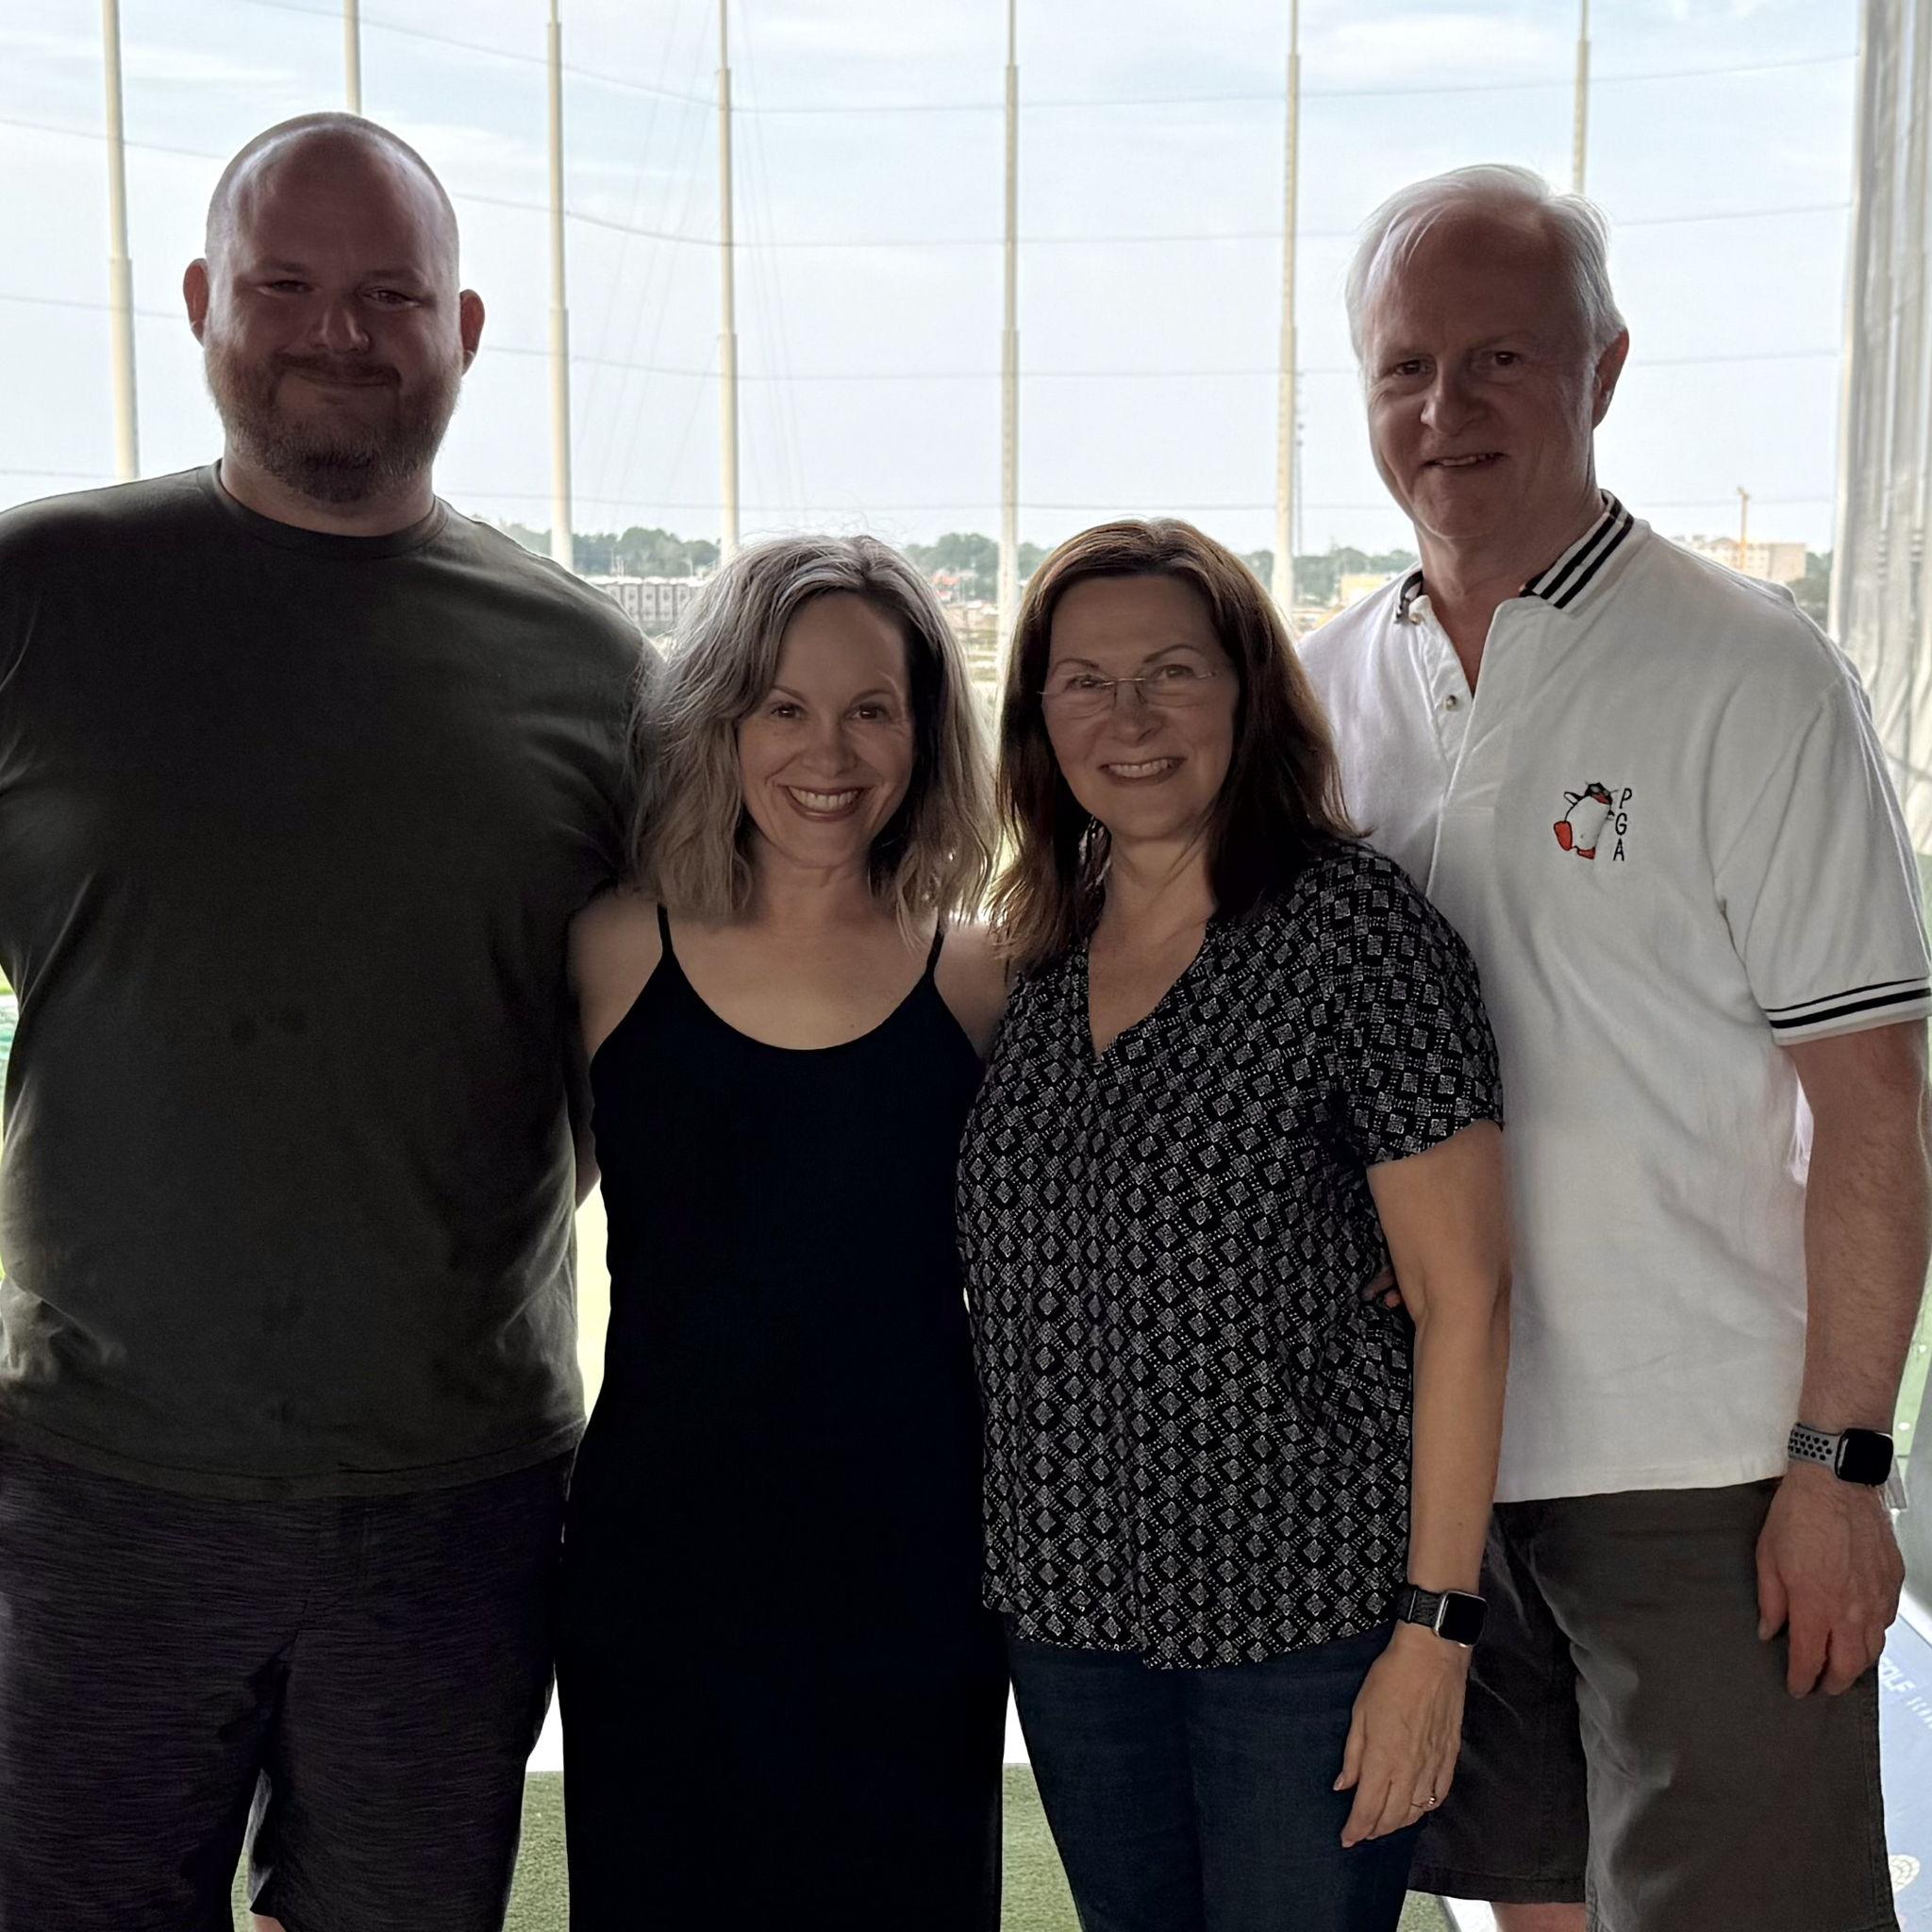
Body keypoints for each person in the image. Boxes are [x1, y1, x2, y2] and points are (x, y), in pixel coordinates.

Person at [0, 116, 643, 1931]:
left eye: (389, 296)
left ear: (467, 327)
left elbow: (701, 1059)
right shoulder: (40, 598)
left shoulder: (596, 677)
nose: (336, 334)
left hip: (456, 1495)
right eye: (285, 286)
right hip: (101, 1482)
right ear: (204, 301)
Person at [1300, 162, 1930, 1932]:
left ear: (1607, 368)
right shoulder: (1322, 687)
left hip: (1703, 1467)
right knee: (1531, 1906)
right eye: (1405, 368)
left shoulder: (1752, 673)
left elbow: (1874, 1110)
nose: (1446, 411)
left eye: (1500, 358)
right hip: (1434, 1458)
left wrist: (1843, 1464)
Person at [956, 518, 1513, 1932]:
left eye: (1171, 675)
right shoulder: (1033, 951)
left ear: (1249, 692)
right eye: (1081, 682)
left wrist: (1432, 1639)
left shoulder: (1353, 934)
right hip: (1072, 1615)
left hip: (1304, 1623)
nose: (1127, 721)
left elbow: (1467, 1299)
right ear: (1035, 716)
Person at [558, 534, 1009, 1930]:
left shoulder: (988, 972)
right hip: (663, 1553)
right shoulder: (612, 948)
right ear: (722, 720)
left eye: (873, 707)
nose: (831, 750)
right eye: (787, 707)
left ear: (926, 730)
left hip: (915, 1554)